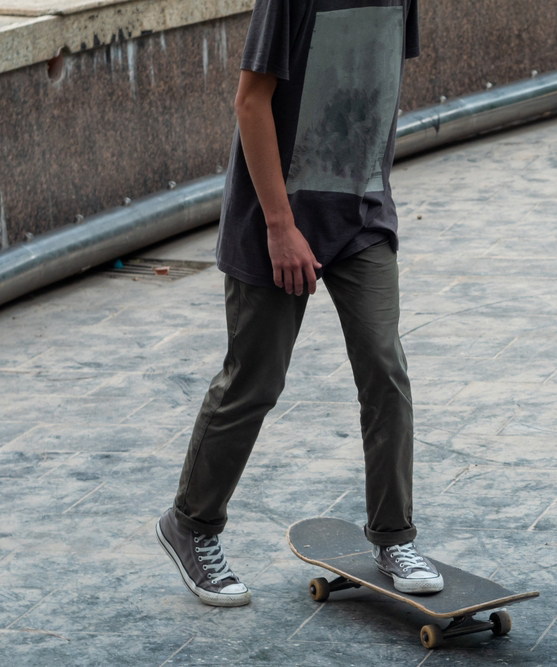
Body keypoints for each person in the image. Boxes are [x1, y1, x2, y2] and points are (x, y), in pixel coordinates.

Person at [155, 0, 444, 607]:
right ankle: (192, 523)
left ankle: (393, 535)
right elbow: (250, 101)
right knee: (254, 381)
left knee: (385, 370)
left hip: (359, 213)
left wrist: (371, 188)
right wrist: (281, 225)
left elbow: (374, 78)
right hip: (276, 218)